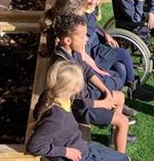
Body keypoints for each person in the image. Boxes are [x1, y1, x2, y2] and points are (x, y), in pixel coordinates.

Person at [27, 61, 133, 161]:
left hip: (84, 149)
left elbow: (41, 112)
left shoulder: (52, 95)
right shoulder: (57, 118)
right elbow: (33, 146)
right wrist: (66, 152)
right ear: (74, 89)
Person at [50, 13, 135, 152]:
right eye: (83, 37)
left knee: (119, 96)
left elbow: (88, 71)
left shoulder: (73, 52)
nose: (86, 39)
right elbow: (76, 102)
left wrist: (105, 91)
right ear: (67, 40)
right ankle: (121, 160)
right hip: (80, 109)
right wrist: (104, 103)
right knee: (123, 121)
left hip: (86, 96)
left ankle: (114, 139)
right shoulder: (63, 66)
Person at [76, 0, 154, 101]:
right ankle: (134, 89)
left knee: (121, 67)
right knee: (123, 53)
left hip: (97, 43)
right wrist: (96, 69)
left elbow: (92, 24)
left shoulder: (88, 7)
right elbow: (81, 49)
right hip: (91, 52)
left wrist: (105, 33)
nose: (94, 2)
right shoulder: (79, 14)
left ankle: (117, 99)